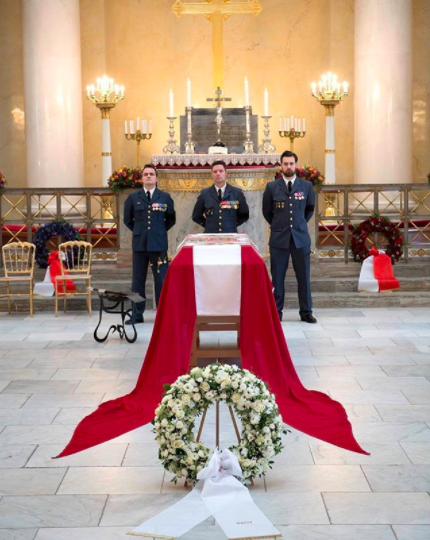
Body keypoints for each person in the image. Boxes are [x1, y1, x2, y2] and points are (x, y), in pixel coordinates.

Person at [262, 150, 317, 323]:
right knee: (277, 278)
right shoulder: (272, 187)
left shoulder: (306, 186)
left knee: (304, 277)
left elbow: (309, 209)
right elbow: (267, 211)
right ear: (280, 166)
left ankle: (306, 312)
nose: (288, 167)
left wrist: (299, 224)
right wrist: (279, 225)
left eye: (291, 163)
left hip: (300, 238)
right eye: (285, 164)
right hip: (279, 239)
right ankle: (276, 312)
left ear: (296, 165)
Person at [123, 164, 176, 324]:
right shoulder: (133, 198)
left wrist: (158, 231)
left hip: (159, 245)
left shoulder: (164, 197)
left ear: (156, 178)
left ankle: (162, 314)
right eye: (145, 174)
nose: (148, 176)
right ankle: (137, 314)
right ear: (141, 178)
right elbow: (128, 220)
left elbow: (171, 219)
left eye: (151, 174)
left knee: (161, 280)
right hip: (140, 245)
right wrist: (141, 231)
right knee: (137, 281)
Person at [192, 160, 249, 233]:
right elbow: (196, 216)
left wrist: (232, 225)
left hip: (230, 235)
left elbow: (244, 214)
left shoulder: (236, 192)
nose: (218, 174)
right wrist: (209, 226)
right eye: (215, 172)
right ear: (211, 174)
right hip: (210, 236)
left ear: (226, 173)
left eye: (221, 171)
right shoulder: (205, 193)